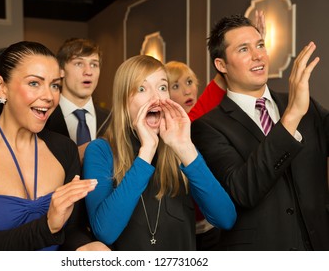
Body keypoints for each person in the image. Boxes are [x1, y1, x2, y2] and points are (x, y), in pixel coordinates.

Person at [0, 41, 109, 251]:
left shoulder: (64, 149)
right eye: (34, 83)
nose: (49, 96)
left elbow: (71, 230)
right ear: (2, 87)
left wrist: (86, 246)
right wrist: (46, 228)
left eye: (55, 85)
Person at [191, 14, 329, 250]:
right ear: (221, 65)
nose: (258, 56)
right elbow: (243, 191)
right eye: (243, 49)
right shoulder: (208, 127)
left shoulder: (305, 105)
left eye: (260, 45)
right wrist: (291, 117)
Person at [82, 54, 236, 250]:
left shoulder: (181, 149)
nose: (156, 98)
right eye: (142, 88)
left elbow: (225, 218)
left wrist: (186, 148)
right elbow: (105, 231)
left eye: (162, 87)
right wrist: (146, 152)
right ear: (123, 101)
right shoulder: (100, 151)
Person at [165, 60, 221, 250]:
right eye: (176, 86)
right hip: (180, 229)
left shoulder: (209, 119)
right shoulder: (172, 127)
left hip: (211, 224)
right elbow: (218, 85)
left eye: (189, 82)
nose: (187, 91)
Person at [45, 38, 110, 162]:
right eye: (79, 63)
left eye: (94, 64)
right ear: (61, 71)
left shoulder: (113, 119)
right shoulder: (44, 118)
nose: (88, 72)